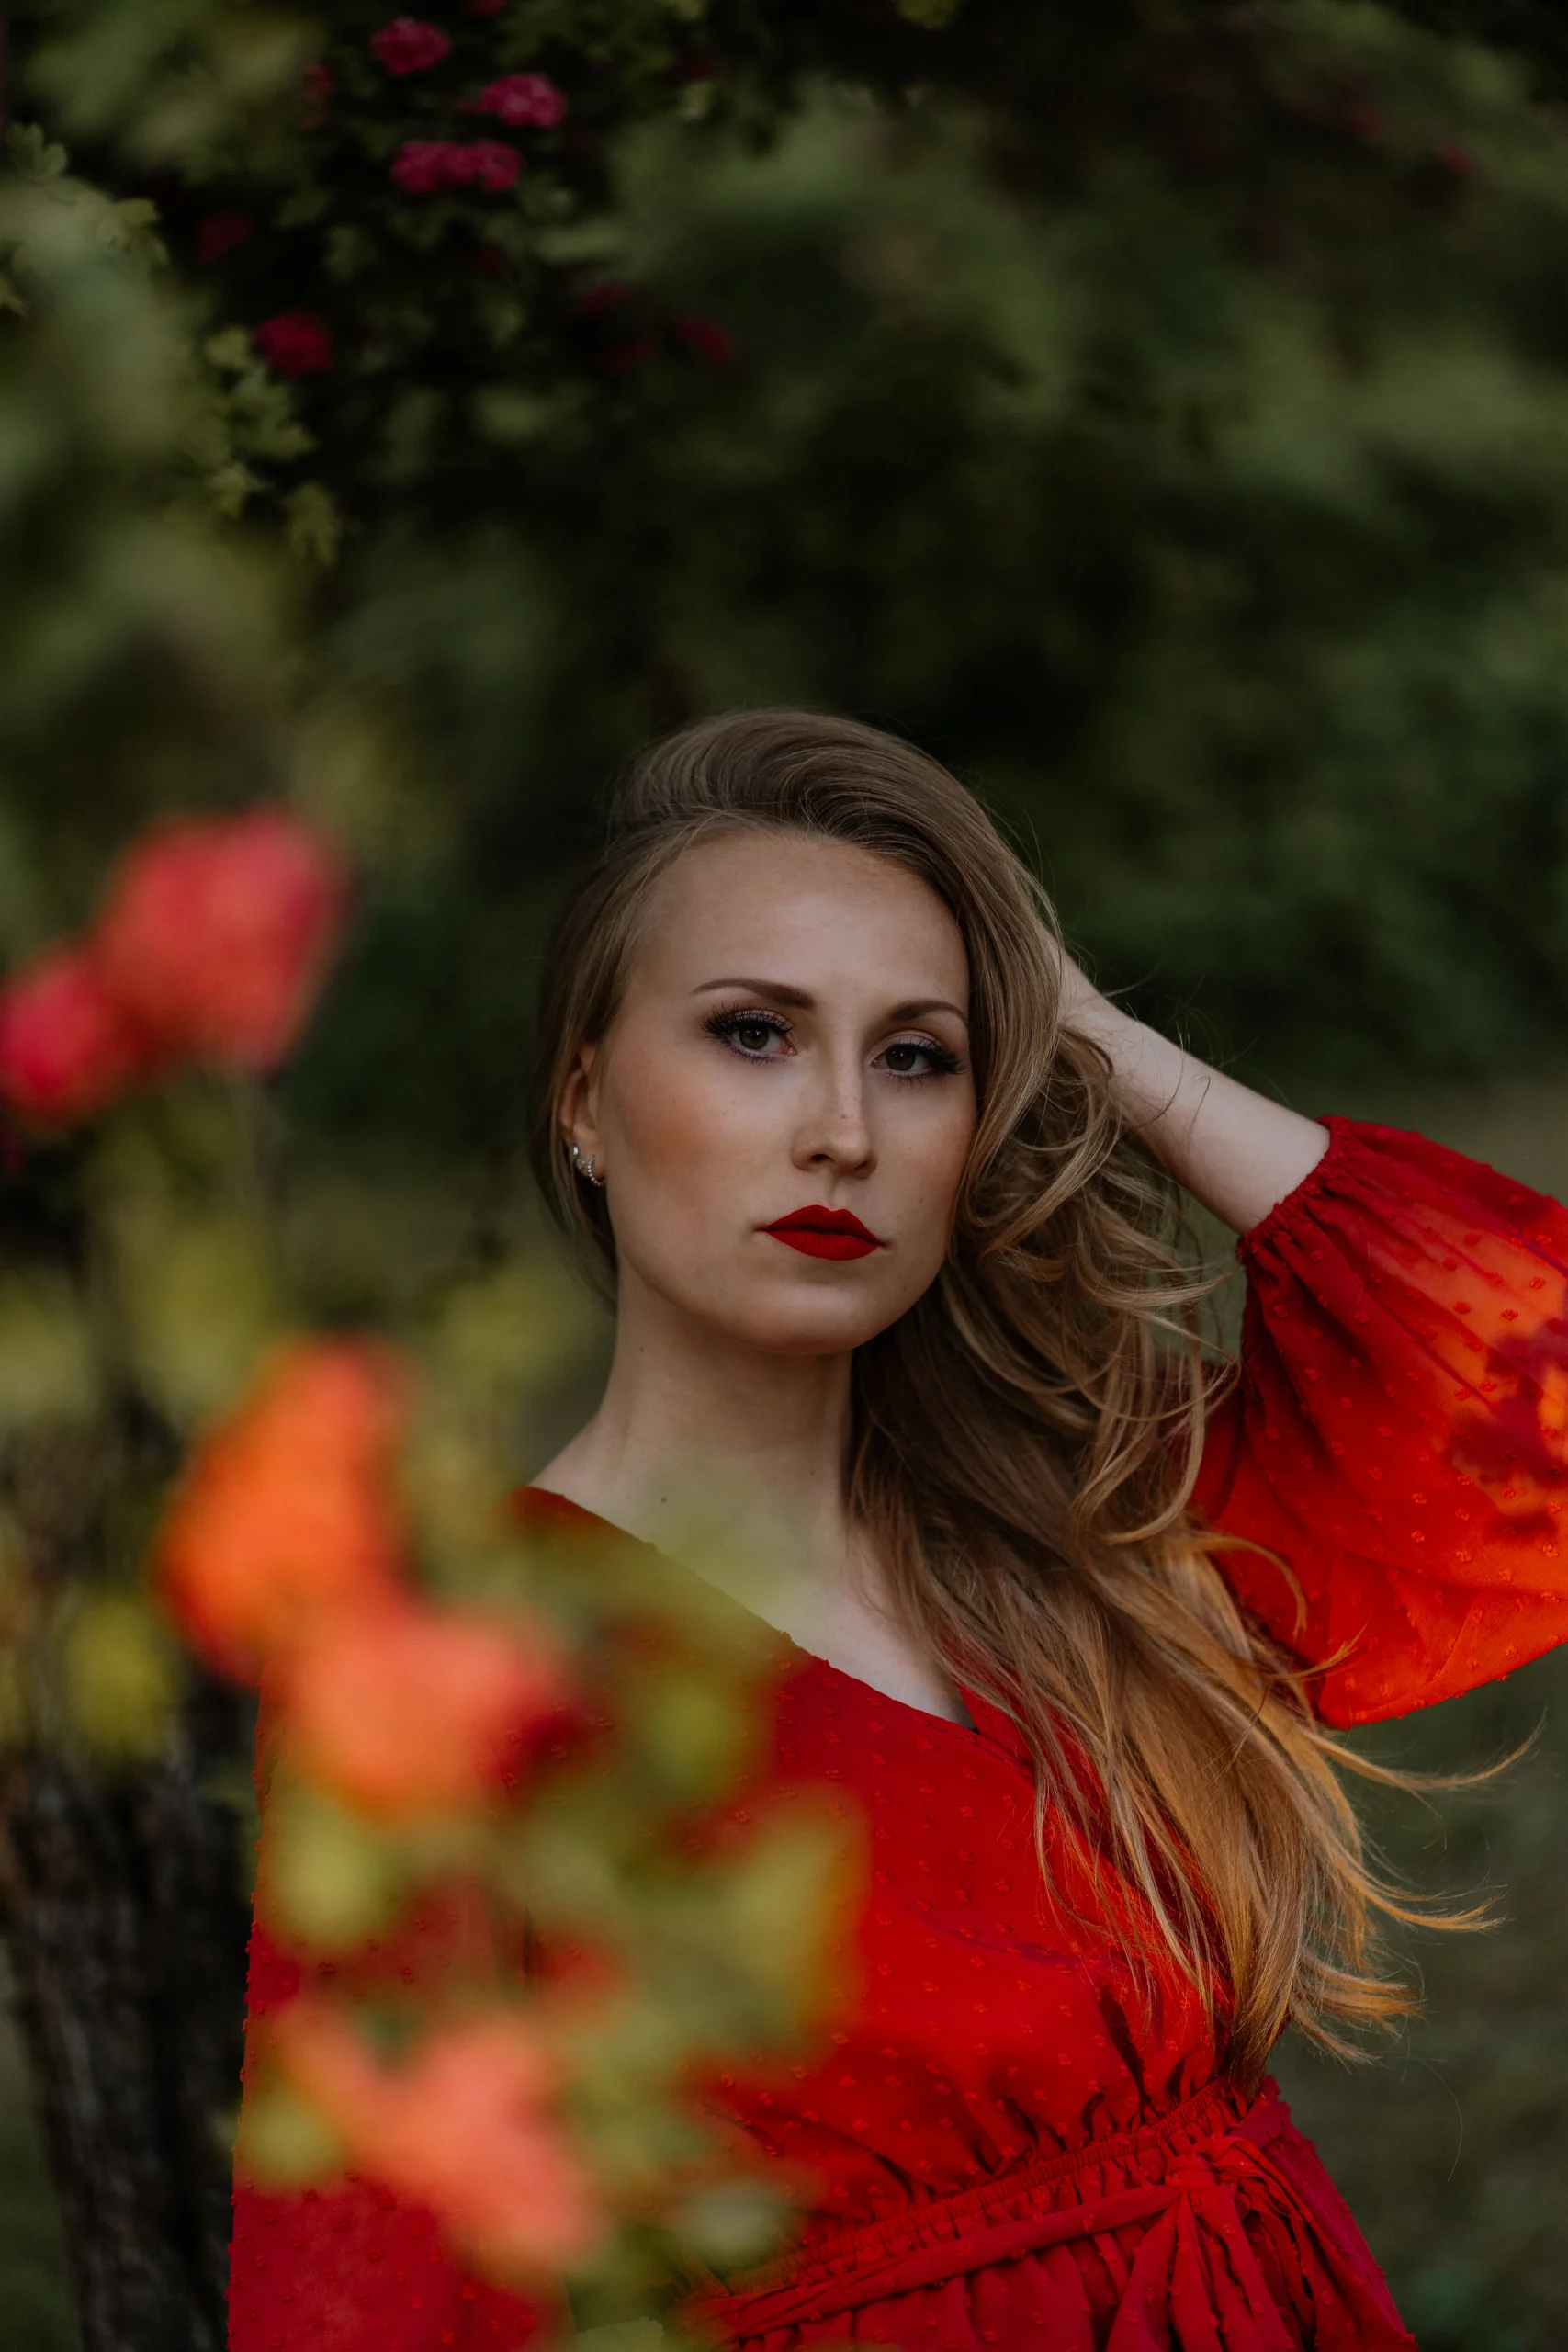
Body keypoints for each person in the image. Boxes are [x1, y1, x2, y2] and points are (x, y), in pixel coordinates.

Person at [230, 709, 1568, 2351]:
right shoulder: (452, 1679)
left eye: (917, 1055)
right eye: (751, 1034)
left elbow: (1529, 1408)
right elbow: (359, 2293)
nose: (843, 1133)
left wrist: (1075, 1022)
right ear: (584, 1096)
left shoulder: (1092, 1535)